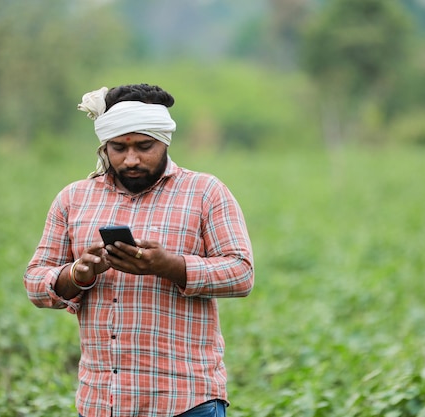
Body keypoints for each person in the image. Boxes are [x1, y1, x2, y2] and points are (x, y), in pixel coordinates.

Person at [24, 84, 254, 417]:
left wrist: (169, 265)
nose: (131, 159)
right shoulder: (74, 199)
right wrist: (76, 274)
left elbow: (241, 273)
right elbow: (34, 280)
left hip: (187, 399)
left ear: (164, 141)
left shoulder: (205, 193)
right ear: (105, 147)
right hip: (102, 401)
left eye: (145, 147)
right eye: (118, 148)